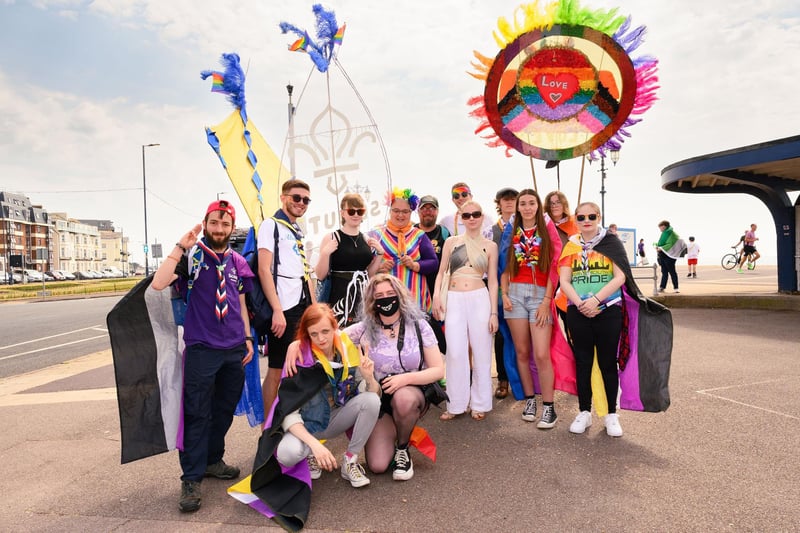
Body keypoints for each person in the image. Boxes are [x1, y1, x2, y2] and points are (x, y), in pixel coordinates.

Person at [151, 200, 255, 513]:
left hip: (234, 348)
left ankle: (212, 460)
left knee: (223, 410)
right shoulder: (192, 256)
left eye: (225, 224)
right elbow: (158, 283)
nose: (219, 229)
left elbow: (240, 301)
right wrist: (178, 248)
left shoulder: (237, 261)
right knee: (197, 413)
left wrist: (248, 338)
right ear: (206, 224)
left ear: (231, 227)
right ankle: (192, 478)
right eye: (214, 223)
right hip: (201, 349)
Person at [343, 274, 445, 481]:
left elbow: (438, 370)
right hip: (378, 398)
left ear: (400, 295)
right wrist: (295, 347)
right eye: (379, 295)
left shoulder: (418, 325)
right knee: (378, 465)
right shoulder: (364, 328)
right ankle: (395, 430)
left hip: (412, 392)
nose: (385, 299)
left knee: (403, 399)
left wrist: (404, 379)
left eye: (390, 294)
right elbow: (327, 337)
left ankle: (402, 448)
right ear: (371, 301)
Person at [274, 304, 381, 487]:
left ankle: (350, 461)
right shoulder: (300, 358)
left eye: (325, 331)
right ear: (307, 334)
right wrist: (315, 446)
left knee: (372, 400)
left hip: (335, 418)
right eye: (314, 334)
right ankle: (307, 454)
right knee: (286, 453)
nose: (321, 339)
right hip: (305, 425)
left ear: (335, 328)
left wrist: (369, 378)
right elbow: (287, 413)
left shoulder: (347, 351)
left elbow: (368, 393)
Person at [558, 202, 627, 437]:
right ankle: (584, 412)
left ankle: (611, 414)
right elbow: (564, 281)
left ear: (598, 217)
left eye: (591, 216)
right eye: (581, 217)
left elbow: (620, 277)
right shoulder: (571, 246)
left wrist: (596, 299)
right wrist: (581, 303)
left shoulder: (611, 242)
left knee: (608, 363)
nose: (586, 220)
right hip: (579, 310)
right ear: (575, 220)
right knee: (583, 362)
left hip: (608, 309)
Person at [500, 189, 562, 429]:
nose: (526, 207)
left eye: (531, 203)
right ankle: (529, 400)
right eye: (522, 203)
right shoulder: (511, 230)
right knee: (522, 352)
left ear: (538, 206)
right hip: (514, 294)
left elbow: (555, 264)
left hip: (539, 295)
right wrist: (504, 294)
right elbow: (504, 266)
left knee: (541, 353)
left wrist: (547, 300)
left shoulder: (547, 230)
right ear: (517, 207)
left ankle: (549, 407)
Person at [433, 200, 499, 421]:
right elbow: (441, 272)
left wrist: (493, 314)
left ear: (482, 216)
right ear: (461, 218)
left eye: (476, 214)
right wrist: (436, 297)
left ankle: (480, 403)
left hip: (480, 298)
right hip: (453, 299)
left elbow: (493, 281)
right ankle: (456, 403)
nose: (471, 218)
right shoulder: (451, 242)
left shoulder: (490, 246)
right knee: (455, 352)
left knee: (481, 351)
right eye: (467, 215)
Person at [259, 179, 315, 415]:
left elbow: (303, 271)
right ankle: (267, 431)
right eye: (296, 198)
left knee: (299, 365)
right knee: (277, 368)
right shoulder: (270, 225)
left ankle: (291, 422)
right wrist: (277, 310)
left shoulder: (296, 230)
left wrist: (315, 307)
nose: (301, 203)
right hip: (284, 305)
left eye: (305, 200)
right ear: (283, 197)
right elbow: (263, 269)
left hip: (302, 303)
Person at [315, 193, 382, 326]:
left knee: (362, 335)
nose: (356, 215)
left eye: (360, 211)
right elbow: (320, 275)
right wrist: (325, 253)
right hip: (338, 295)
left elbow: (368, 274)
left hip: (362, 296)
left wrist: (380, 254)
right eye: (351, 211)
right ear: (343, 213)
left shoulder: (366, 239)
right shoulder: (332, 237)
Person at [374, 187, 439, 313]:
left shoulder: (419, 235)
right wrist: (379, 267)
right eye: (396, 211)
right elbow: (364, 265)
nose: (400, 215)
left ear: (411, 213)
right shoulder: (377, 234)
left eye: (405, 211)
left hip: (414, 297)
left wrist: (415, 265)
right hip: (385, 298)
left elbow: (433, 262)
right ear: (389, 211)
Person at [492, 187, 518, 399]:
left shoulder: (526, 226)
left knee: (522, 336)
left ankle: (526, 379)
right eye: (505, 199)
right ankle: (503, 379)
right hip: (498, 289)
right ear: (499, 203)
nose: (509, 202)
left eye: (513, 199)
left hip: (521, 286)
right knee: (501, 335)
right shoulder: (491, 229)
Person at [414, 195, 451, 293]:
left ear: (437, 211)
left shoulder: (444, 233)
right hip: (415, 286)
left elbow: (450, 263)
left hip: (438, 287)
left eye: (432, 208)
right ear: (418, 211)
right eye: (424, 208)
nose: (428, 211)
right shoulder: (411, 232)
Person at [655, 219, 681, 294]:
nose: (660, 229)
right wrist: (657, 246)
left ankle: (676, 288)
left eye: (660, 227)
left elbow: (671, 244)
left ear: (664, 226)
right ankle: (662, 287)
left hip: (670, 255)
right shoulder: (664, 233)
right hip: (662, 254)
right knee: (664, 272)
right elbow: (662, 243)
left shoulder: (671, 233)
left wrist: (661, 248)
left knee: (672, 271)